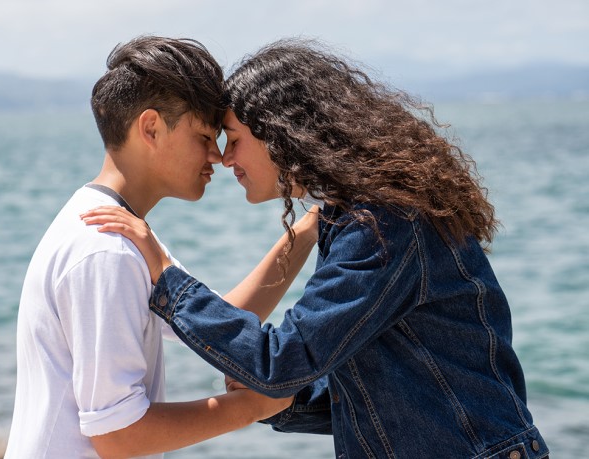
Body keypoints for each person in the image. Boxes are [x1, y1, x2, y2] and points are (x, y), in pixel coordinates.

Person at [82, 39, 550, 458]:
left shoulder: (387, 224)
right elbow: (382, 385)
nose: (226, 159)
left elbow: (285, 360)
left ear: (282, 137)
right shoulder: (363, 219)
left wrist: (166, 275)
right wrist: (275, 400)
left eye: (235, 140)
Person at [4, 36, 315, 459]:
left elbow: (214, 322)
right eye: (205, 136)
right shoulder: (105, 248)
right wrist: (258, 403)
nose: (218, 157)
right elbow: (118, 436)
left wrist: (309, 229)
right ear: (150, 127)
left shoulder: (121, 231)